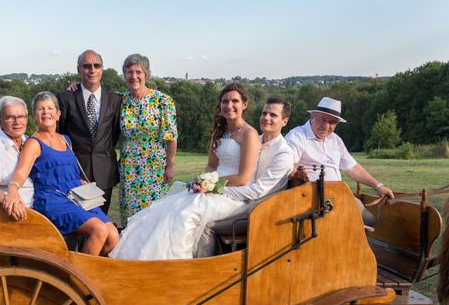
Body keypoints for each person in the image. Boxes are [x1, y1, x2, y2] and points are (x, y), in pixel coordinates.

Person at [109, 83, 262, 260]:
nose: (229, 105)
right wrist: (202, 179)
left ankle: (181, 265)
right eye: (225, 101)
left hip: (234, 193)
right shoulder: (220, 132)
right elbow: (212, 166)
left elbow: (243, 177)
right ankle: (145, 259)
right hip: (212, 188)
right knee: (165, 207)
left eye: (235, 101)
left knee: (184, 213)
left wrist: (210, 185)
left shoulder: (249, 134)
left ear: (245, 104)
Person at [3, 91, 119, 256]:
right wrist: (13, 189)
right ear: (34, 115)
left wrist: (79, 180)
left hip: (77, 196)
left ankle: (90, 269)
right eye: (40, 108)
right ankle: (78, 277)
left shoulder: (66, 140)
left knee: (112, 235)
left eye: (50, 108)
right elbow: (21, 172)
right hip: (53, 199)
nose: (46, 112)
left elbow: (65, 169)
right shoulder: (33, 143)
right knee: (99, 230)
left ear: (58, 114)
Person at [195, 98, 295, 257]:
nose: (266, 118)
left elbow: (257, 192)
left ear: (284, 121)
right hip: (240, 200)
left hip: (259, 211)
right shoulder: (254, 138)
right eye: (264, 113)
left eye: (273, 115)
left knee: (204, 224)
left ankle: (209, 273)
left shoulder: (283, 154)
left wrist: (218, 189)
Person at [286, 97, 394, 199]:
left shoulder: (335, 140)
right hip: (308, 200)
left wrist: (378, 186)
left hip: (337, 197)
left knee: (369, 217)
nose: (326, 126)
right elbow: (289, 166)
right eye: (323, 120)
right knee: (364, 218)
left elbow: (352, 168)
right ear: (312, 116)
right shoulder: (297, 136)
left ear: (337, 124)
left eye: (332, 122)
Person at [57, 50, 122, 214]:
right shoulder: (66, 98)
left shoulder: (115, 99)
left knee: (102, 221)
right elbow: (59, 135)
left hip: (104, 170)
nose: (92, 70)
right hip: (75, 172)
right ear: (79, 69)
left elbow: (113, 134)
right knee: (78, 223)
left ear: (102, 69)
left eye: (96, 65)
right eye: (86, 66)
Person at [119, 53, 178, 227]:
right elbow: (98, 96)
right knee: (130, 219)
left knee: (153, 217)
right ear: (124, 75)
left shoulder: (162, 101)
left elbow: (171, 138)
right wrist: (75, 86)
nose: (134, 76)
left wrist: (170, 166)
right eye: (129, 72)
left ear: (146, 74)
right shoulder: (120, 100)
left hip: (155, 169)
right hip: (129, 168)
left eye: (138, 71)